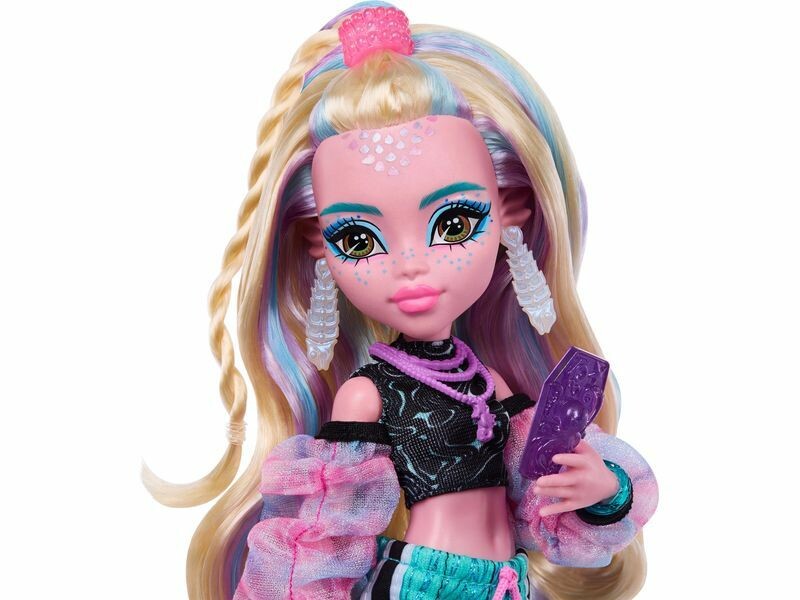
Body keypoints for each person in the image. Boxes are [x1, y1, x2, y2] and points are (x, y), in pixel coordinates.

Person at [142, 3, 658, 599]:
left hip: (507, 584)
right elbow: (323, 539)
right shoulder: (367, 396)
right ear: (319, 247)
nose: (410, 264)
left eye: (454, 223)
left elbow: (545, 505)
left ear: (511, 211)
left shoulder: (487, 383)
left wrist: (604, 489)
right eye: (360, 240)